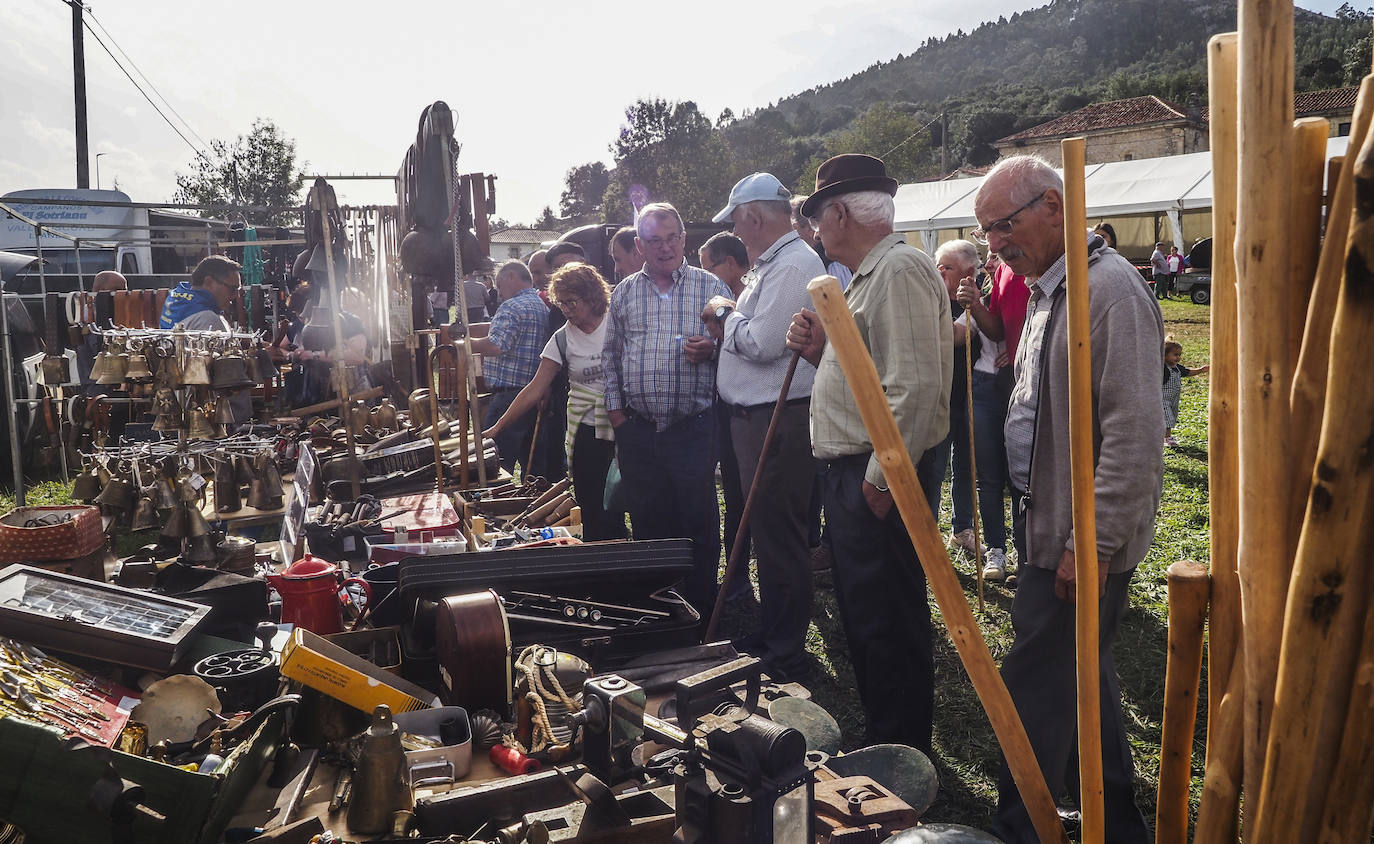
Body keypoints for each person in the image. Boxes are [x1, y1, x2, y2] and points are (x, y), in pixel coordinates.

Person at [973, 155, 1163, 844]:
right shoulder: (1049, 287)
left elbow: (1137, 435)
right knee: (1087, 676)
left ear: (1054, 206)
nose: (993, 242)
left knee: (1035, 682)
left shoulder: (1107, 290)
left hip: (1078, 536)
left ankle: (1020, 828)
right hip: (1048, 524)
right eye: (986, 229)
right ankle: (1118, 824)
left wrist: (1094, 542)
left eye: (1002, 224)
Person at [785, 154, 951, 754]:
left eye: (818, 218)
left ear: (841, 212)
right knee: (865, 611)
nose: (816, 231)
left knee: (886, 616)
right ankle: (889, 737)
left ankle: (901, 747)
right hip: (856, 470)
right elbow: (873, 379)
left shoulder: (899, 268)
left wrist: (884, 479)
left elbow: (913, 385)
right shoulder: (867, 277)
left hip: (874, 474)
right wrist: (817, 355)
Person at [704, 173, 822, 682]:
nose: (735, 230)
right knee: (770, 532)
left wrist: (726, 315)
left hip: (779, 418)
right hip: (759, 418)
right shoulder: (774, 263)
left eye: (736, 219)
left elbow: (763, 343)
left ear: (752, 216)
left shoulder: (793, 264)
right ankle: (776, 636)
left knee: (780, 535)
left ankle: (786, 649)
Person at [603, 202, 732, 613]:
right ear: (639, 246)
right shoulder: (624, 292)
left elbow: (740, 348)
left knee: (698, 519)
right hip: (638, 429)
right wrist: (618, 417)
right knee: (648, 521)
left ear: (684, 239)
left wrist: (712, 350)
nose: (665, 248)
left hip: (692, 427)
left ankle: (701, 609)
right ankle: (659, 608)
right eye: (654, 241)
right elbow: (610, 357)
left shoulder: (710, 288)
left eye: (672, 238)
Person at [483, 263, 627, 540]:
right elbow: (535, 388)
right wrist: (497, 427)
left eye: (572, 302)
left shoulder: (617, 324)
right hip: (587, 427)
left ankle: (627, 551)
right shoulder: (561, 339)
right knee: (590, 500)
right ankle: (598, 555)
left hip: (623, 423)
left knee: (624, 498)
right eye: (561, 304)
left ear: (592, 297)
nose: (566, 310)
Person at [956, 250, 1032, 583]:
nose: (991, 261)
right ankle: (996, 552)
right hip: (986, 387)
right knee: (987, 477)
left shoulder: (1025, 279)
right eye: (987, 256)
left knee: (1022, 477)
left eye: (995, 256)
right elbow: (992, 329)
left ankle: (1026, 555)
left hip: (1017, 383)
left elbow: (1012, 329)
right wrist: (972, 305)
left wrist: (1017, 352)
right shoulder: (986, 288)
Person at [699, 231, 753, 594]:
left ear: (729, 264)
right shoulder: (724, 297)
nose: (705, 275)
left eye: (710, 267)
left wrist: (714, 346)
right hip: (722, 408)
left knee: (740, 495)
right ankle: (732, 573)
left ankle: (739, 577)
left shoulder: (751, 296)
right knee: (729, 493)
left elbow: (753, 349)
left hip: (748, 412)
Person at [470, 260, 550, 474]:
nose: (498, 292)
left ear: (511, 277)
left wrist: (466, 344)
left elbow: (497, 345)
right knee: (533, 466)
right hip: (533, 395)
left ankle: (495, 506)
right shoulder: (540, 305)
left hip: (509, 397)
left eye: (499, 284)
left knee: (494, 463)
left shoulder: (512, 306)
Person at [932, 241, 979, 556]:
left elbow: (958, 336)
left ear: (969, 272)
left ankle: (962, 528)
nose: (939, 272)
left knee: (965, 464)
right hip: (940, 398)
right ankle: (926, 532)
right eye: (938, 265)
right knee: (934, 465)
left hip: (971, 397)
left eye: (947, 267)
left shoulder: (974, 304)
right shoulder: (932, 301)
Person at [790, 194, 853, 290]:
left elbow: (843, 302)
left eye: (794, 227)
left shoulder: (833, 264)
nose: (790, 234)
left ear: (809, 229)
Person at [1162, 337, 1209, 448]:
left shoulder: (1178, 368)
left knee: (1172, 416)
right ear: (1164, 355)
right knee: (1168, 418)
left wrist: (1201, 370)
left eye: (1179, 354)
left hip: (1173, 399)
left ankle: (1161, 436)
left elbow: (1188, 372)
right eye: (1175, 355)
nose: (1178, 357)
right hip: (1162, 398)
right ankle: (1167, 438)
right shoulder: (1162, 368)